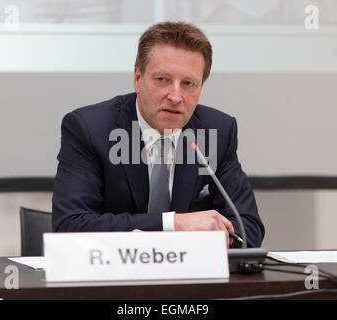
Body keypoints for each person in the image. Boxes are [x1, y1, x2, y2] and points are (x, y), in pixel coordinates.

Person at [52, 21, 265, 248]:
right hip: (111, 277)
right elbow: (70, 226)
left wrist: (216, 237)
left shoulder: (218, 131)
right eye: (162, 79)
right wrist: (173, 223)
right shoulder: (89, 128)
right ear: (137, 79)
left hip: (192, 277)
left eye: (188, 83)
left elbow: (248, 228)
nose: (175, 96)